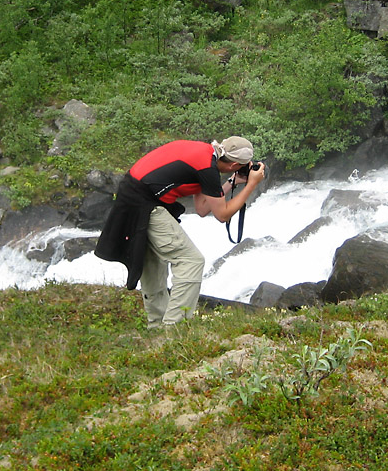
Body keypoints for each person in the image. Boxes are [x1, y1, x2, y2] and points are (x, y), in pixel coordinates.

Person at [94, 136, 265, 328]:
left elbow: (201, 208)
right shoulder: (207, 170)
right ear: (234, 164)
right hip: (143, 202)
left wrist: (232, 182)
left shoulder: (206, 155)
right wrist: (251, 185)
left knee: (153, 263)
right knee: (191, 260)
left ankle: (157, 326)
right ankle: (174, 328)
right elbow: (222, 214)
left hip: (133, 194)